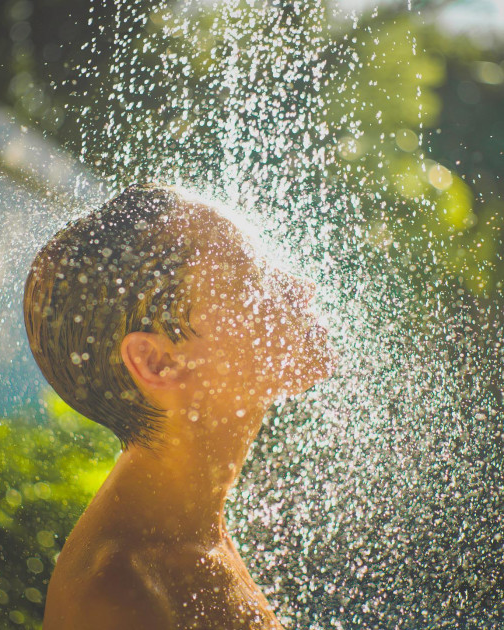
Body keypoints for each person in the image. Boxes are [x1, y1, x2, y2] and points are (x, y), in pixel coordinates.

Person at [23, 183, 335, 630]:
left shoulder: (187, 534)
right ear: (158, 362)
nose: (302, 290)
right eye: (252, 279)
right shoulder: (119, 598)